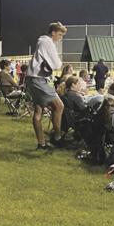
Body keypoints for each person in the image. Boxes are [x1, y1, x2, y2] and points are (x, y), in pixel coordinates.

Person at [26, 22, 68, 150]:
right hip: (38, 79)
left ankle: (41, 143)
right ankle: (57, 138)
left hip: (34, 79)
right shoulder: (47, 42)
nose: (60, 38)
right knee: (59, 106)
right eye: (59, 34)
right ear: (53, 32)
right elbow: (56, 64)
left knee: (38, 111)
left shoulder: (42, 42)